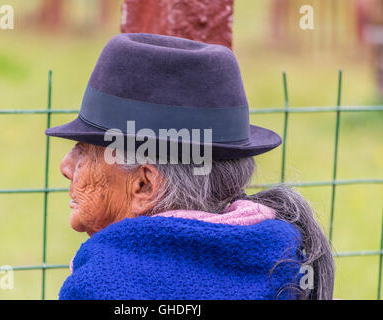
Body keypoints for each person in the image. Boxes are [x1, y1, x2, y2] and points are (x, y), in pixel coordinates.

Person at [45, 33, 335, 300]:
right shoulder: (286, 263)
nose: (66, 166)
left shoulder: (100, 285)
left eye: (83, 151)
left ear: (144, 185)